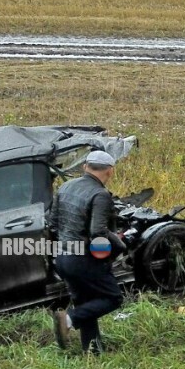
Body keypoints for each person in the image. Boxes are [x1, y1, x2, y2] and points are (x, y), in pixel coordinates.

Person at [48, 150, 126, 354]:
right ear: (110, 171)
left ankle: (93, 351)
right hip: (83, 259)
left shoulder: (65, 187)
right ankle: (68, 319)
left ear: (85, 167)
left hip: (63, 257)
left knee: (87, 303)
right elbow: (98, 232)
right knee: (113, 298)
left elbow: (53, 224)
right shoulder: (100, 195)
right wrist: (117, 246)